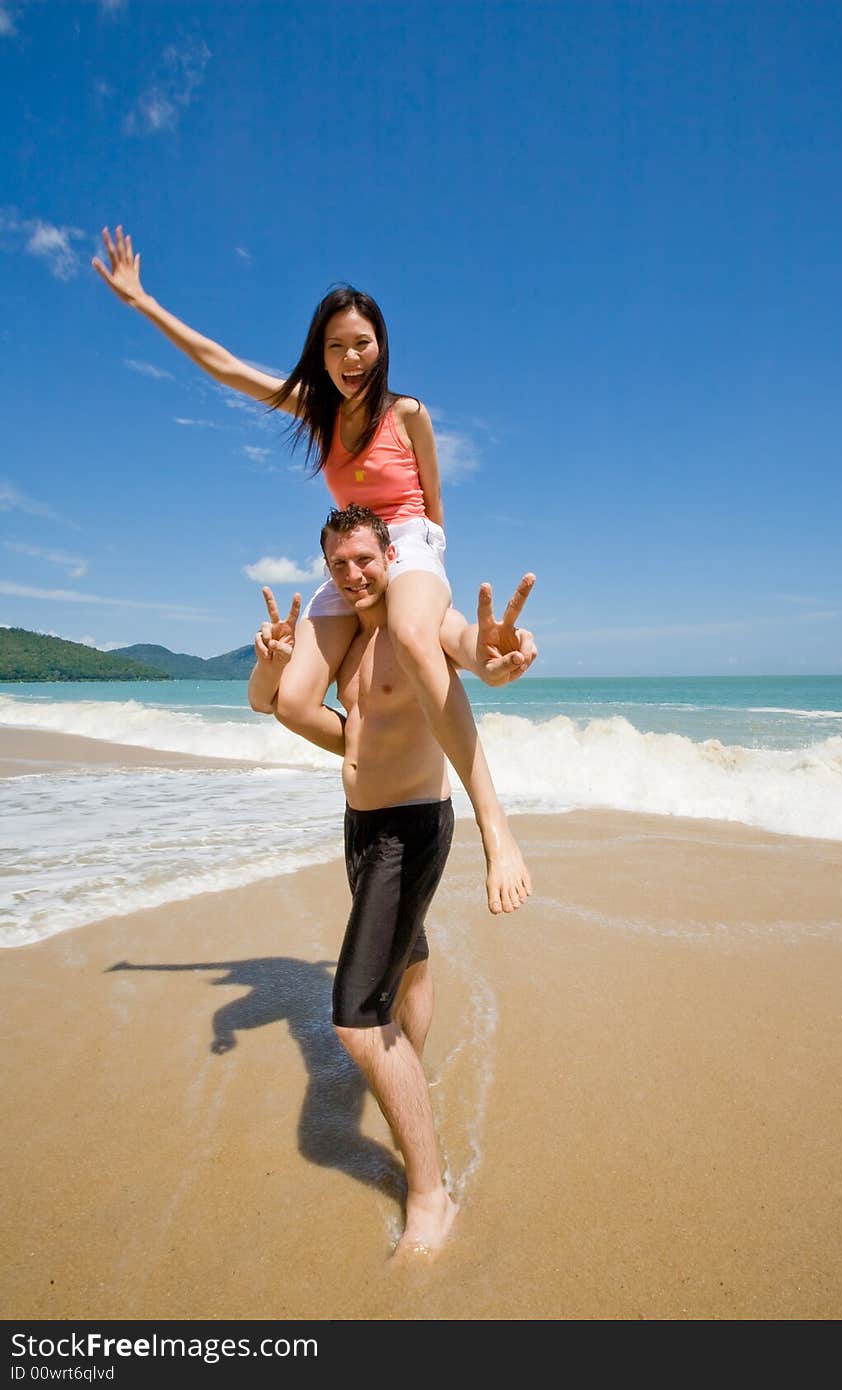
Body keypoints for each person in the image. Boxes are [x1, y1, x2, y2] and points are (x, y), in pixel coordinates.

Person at [92, 227, 531, 914]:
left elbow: (435, 505)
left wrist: (430, 572)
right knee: (289, 701)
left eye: (362, 342)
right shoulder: (315, 411)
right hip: (355, 549)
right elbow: (225, 365)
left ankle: (495, 827)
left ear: (380, 345)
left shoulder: (408, 413)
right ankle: (380, 754)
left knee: (417, 639)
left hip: (410, 540)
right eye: (335, 345)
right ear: (318, 355)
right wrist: (144, 303)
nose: (351, 356)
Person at [248, 504, 537, 1255]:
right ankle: (407, 1068)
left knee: (354, 1018)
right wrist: (274, 667)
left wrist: (492, 652)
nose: (353, 574)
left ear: (390, 555)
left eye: (365, 560)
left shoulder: (417, 622)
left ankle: (430, 1196)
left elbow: (467, 649)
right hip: (361, 824)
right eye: (339, 565)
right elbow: (273, 705)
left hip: (409, 832)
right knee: (407, 956)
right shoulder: (343, 634)